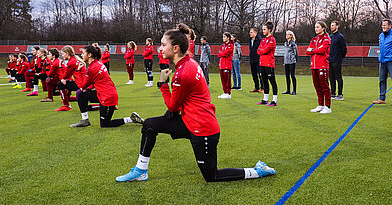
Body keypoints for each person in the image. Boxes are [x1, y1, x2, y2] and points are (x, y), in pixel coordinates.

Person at [115, 25, 276, 183]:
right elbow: (176, 107)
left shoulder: (183, 72)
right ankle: (140, 170)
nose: (160, 49)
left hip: (203, 127)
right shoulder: (188, 62)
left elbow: (173, 106)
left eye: (164, 45)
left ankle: (257, 171)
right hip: (189, 121)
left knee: (212, 176)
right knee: (150, 125)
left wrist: (163, 84)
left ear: (176, 48)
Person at [70, 45, 143, 128]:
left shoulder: (92, 68)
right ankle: (85, 120)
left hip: (108, 97)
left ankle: (131, 118)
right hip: (103, 94)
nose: (81, 55)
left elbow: (82, 85)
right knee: (80, 93)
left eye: (83, 53)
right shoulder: (98, 63)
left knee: (105, 124)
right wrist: (86, 87)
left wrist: (79, 71)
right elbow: (94, 82)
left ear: (89, 55)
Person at [373, 19, 392, 106]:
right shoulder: (380, 36)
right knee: (382, 80)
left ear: (389, 26)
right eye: (382, 25)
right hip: (382, 61)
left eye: (385, 25)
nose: (383, 27)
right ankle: (382, 98)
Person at [307, 21, 332, 114]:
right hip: (314, 66)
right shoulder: (314, 39)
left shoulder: (326, 39)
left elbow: (322, 50)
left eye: (318, 27)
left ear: (323, 28)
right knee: (317, 86)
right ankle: (320, 105)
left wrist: (313, 50)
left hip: (322, 65)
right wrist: (314, 50)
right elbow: (308, 51)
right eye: (315, 27)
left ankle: (328, 107)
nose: (316, 29)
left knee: (324, 86)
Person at [56, 45, 86, 112]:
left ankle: (66, 105)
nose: (62, 56)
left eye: (63, 54)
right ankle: (69, 99)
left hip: (81, 85)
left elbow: (64, 76)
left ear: (67, 53)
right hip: (84, 83)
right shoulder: (74, 60)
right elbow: (67, 75)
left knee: (60, 84)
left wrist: (60, 66)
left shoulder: (71, 62)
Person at [257, 21, 278, 106]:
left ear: (269, 30)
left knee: (272, 82)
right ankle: (265, 99)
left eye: (264, 29)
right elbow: (258, 51)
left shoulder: (272, 39)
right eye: (262, 29)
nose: (263, 31)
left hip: (269, 63)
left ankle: (274, 100)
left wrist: (262, 50)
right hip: (262, 63)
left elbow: (265, 50)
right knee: (264, 81)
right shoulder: (263, 40)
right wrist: (262, 50)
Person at [328, 21, 347, 100]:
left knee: (338, 77)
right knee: (331, 77)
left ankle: (340, 94)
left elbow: (344, 49)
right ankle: (333, 93)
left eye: (333, 25)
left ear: (337, 26)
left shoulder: (340, 37)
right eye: (331, 25)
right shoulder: (330, 36)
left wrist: (340, 57)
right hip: (330, 60)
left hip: (337, 60)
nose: (331, 27)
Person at [217, 32, 234, 99]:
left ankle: (228, 93)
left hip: (227, 65)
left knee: (227, 79)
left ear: (228, 38)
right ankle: (224, 92)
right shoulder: (223, 46)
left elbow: (224, 54)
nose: (223, 38)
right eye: (223, 37)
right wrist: (222, 53)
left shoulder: (230, 46)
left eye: (224, 37)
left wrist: (222, 53)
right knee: (223, 80)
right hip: (222, 65)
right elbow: (219, 54)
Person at [283, 30, 298, 95]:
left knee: (292, 75)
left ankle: (294, 90)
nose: (286, 35)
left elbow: (296, 53)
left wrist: (295, 60)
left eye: (288, 34)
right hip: (286, 62)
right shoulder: (285, 43)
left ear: (291, 36)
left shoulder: (293, 44)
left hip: (292, 61)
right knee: (287, 76)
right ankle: (288, 90)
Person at [249, 28, 264, 93]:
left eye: (251, 32)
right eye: (250, 32)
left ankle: (263, 88)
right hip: (252, 60)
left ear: (255, 33)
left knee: (260, 75)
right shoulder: (250, 40)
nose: (250, 33)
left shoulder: (260, 40)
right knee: (254, 74)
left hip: (258, 60)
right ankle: (256, 87)